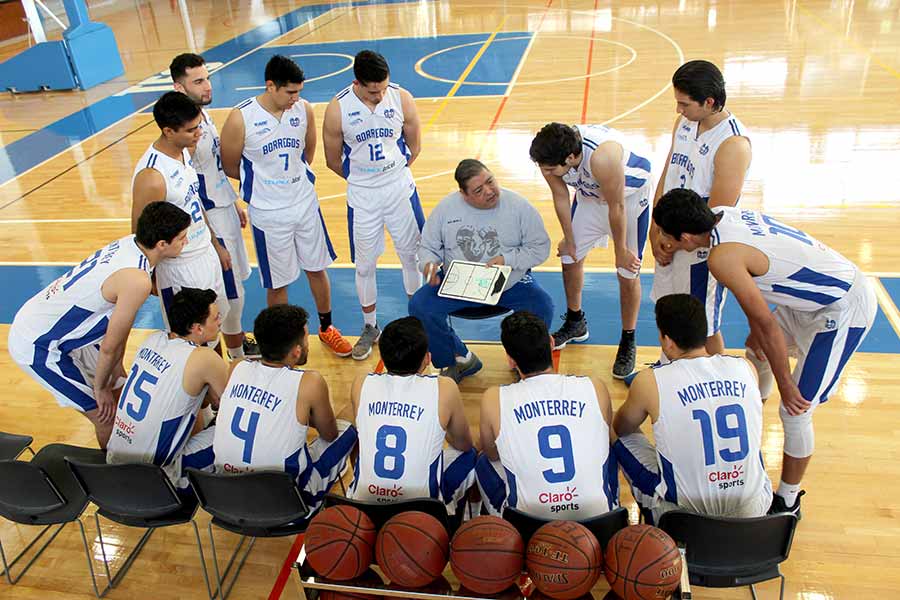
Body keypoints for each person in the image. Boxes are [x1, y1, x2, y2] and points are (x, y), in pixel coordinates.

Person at [653, 189, 878, 516]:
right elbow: (758, 318)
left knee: (795, 411)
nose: (666, 240)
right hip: (806, 304)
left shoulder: (721, 258)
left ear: (686, 236)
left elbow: (766, 324)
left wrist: (786, 385)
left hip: (840, 309)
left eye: (667, 235)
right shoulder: (721, 213)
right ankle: (749, 420)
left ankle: (788, 500)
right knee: (756, 349)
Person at [8, 202, 190, 448]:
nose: (186, 243)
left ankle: (132, 458)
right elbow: (110, 346)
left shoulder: (132, 243)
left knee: (121, 394)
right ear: (161, 245)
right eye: (182, 238)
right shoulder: (137, 280)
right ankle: (110, 479)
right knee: (106, 416)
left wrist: (114, 373)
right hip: (37, 343)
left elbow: (115, 339)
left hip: (57, 325)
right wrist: (100, 387)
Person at [219, 54, 351, 357]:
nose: (296, 98)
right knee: (277, 283)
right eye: (290, 92)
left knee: (317, 268)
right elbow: (229, 165)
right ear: (270, 86)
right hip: (268, 213)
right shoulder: (241, 118)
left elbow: (308, 151)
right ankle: (283, 341)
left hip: (305, 204)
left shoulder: (303, 110)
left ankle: (327, 328)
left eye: (299, 91)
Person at [613, 294, 771, 523]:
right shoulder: (746, 368)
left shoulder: (650, 380)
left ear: (667, 341)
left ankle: (619, 519)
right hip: (753, 511)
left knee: (612, 428)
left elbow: (622, 426)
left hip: (683, 519)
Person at [409, 159, 553, 382]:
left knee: (542, 304)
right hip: (459, 284)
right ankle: (458, 359)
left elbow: (541, 248)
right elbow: (427, 247)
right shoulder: (446, 209)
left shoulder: (519, 207)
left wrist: (508, 259)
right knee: (420, 305)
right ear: (464, 195)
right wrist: (428, 265)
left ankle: (525, 361)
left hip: (507, 284)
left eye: (490, 181)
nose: (489, 191)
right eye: (478, 189)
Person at [529, 122, 653, 379]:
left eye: (551, 168)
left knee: (626, 270)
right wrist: (569, 238)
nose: (547, 172)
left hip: (627, 200)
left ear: (572, 157)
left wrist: (620, 250)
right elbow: (561, 196)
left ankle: (628, 338)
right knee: (569, 256)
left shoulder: (603, 157)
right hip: (589, 197)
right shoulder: (550, 155)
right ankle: (576, 322)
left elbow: (616, 206)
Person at [322, 50, 425, 360]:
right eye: (372, 90)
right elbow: (331, 160)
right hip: (363, 197)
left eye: (383, 87)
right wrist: (365, 179)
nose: (380, 95)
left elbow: (415, 144)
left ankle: (416, 321)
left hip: (399, 191)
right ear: (357, 82)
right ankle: (370, 326)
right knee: (365, 265)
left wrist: (392, 173)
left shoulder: (401, 97)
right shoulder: (338, 108)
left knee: (412, 257)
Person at [648, 60, 752, 356]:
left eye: (684, 104)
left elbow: (714, 216)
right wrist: (655, 232)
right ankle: (669, 368)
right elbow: (667, 175)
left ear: (709, 102)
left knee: (702, 324)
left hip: (697, 250)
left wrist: (673, 241)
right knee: (667, 309)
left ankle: (719, 378)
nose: (679, 110)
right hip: (669, 235)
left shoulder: (733, 144)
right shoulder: (683, 124)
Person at [213, 304, 357, 511]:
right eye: (306, 339)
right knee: (353, 414)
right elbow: (330, 433)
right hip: (290, 502)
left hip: (226, 496)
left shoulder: (236, 367)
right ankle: (335, 475)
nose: (308, 344)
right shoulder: (310, 382)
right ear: (296, 352)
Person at [476, 311, 618, 519]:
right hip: (598, 521)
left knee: (481, 461)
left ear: (511, 360)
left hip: (528, 525)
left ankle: (478, 523)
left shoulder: (493, 398)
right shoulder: (594, 386)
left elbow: (491, 454)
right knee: (610, 448)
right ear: (552, 343)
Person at [170, 52, 258, 360]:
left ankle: (235, 345)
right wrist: (214, 239)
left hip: (224, 210)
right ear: (179, 88)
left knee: (237, 291)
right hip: (211, 221)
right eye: (198, 81)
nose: (207, 86)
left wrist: (233, 201)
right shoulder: (185, 133)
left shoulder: (202, 115)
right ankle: (231, 359)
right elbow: (192, 190)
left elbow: (214, 169)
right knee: (228, 296)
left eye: (207, 78)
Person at [348, 317, 476, 515]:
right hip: (419, 514)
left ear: (382, 356)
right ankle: (465, 516)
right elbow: (464, 444)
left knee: (355, 431)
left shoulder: (361, 383)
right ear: (427, 359)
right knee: (472, 454)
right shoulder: (444, 387)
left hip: (364, 509)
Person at [107, 288, 229, 489]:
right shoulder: (204, 358)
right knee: (243, 435)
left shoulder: (152, 339)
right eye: (216, 318)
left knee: (187, 407)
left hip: (114, 465)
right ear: (197, 328)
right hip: (157, 480)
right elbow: (230, 406)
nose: (220, 322)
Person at [131, 91, 230, 333]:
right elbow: (139, 232)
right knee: (191, 335)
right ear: (168, 131)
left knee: (214, 327)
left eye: (198, 126)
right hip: (178, 267)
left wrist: (215, 244)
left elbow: (193, 202)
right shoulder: (152, 177)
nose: (199, 133)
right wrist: (150, 277)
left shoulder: (184, 151)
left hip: (204, 252)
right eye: (191, 130)